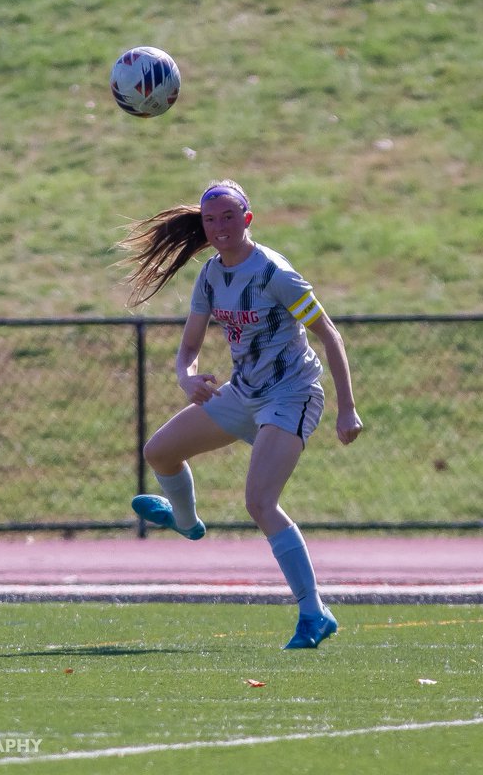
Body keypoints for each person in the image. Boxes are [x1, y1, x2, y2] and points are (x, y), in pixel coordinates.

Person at [119, 179, 363, 649]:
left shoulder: (273, 272)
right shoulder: (210, 276)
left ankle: (314, 612)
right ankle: (187, 523)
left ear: (247, 219)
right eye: (210, 220)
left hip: (291, 394)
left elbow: (330, 334)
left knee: (259, 502)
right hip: (244, 393)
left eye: (229, 217)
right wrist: (187, 378)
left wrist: (347, 409)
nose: (219, 227)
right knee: (159, 453)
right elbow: (188, 348)